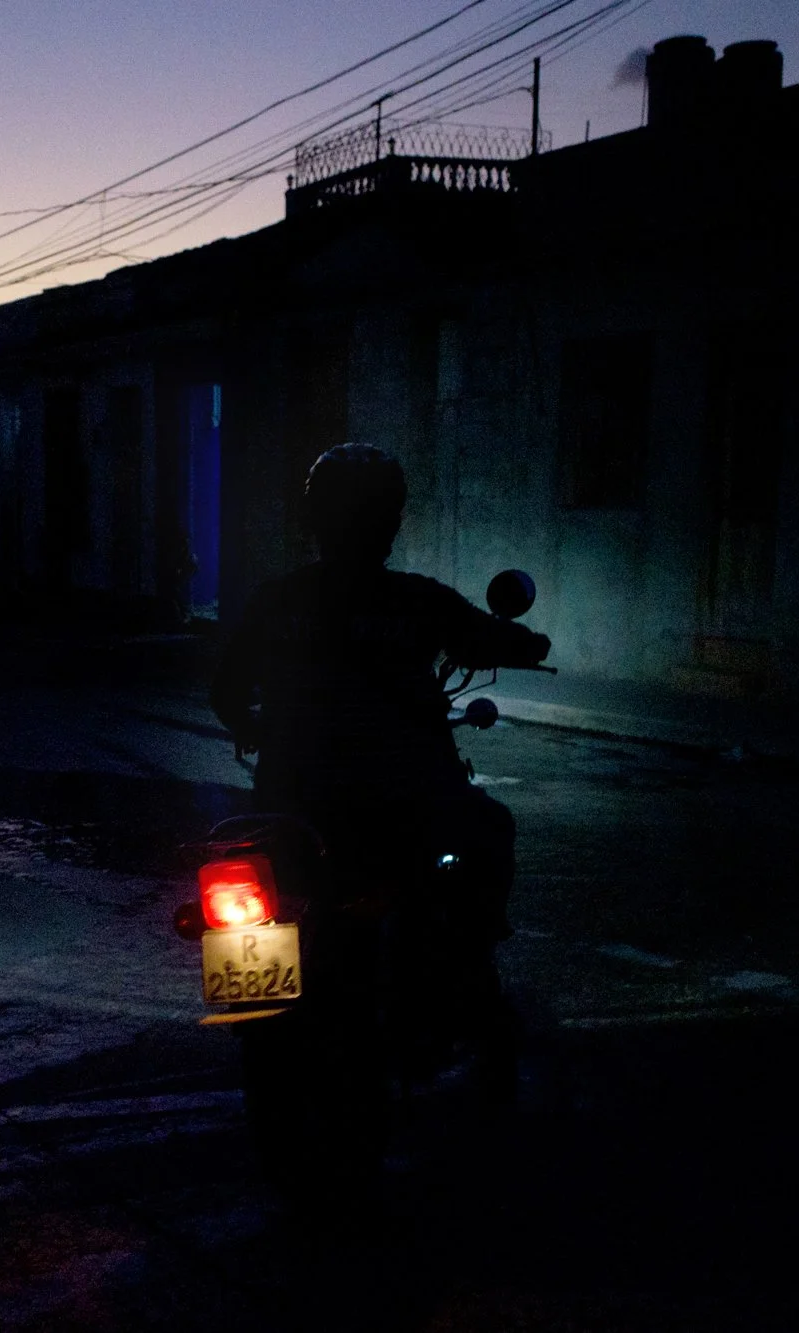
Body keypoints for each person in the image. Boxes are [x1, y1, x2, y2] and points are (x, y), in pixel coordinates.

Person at [210, 443, 549, 1087]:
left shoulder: (278, 600)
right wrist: (526, 642)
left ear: (314, 519)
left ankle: (278, 1014)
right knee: (489, 828)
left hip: (294, 800)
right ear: (391, 521)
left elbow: (226, 689)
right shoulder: (417, 601)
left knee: (257, 879)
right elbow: (497, 638)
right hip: (408, 799)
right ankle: (469, 966)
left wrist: (255, 727)